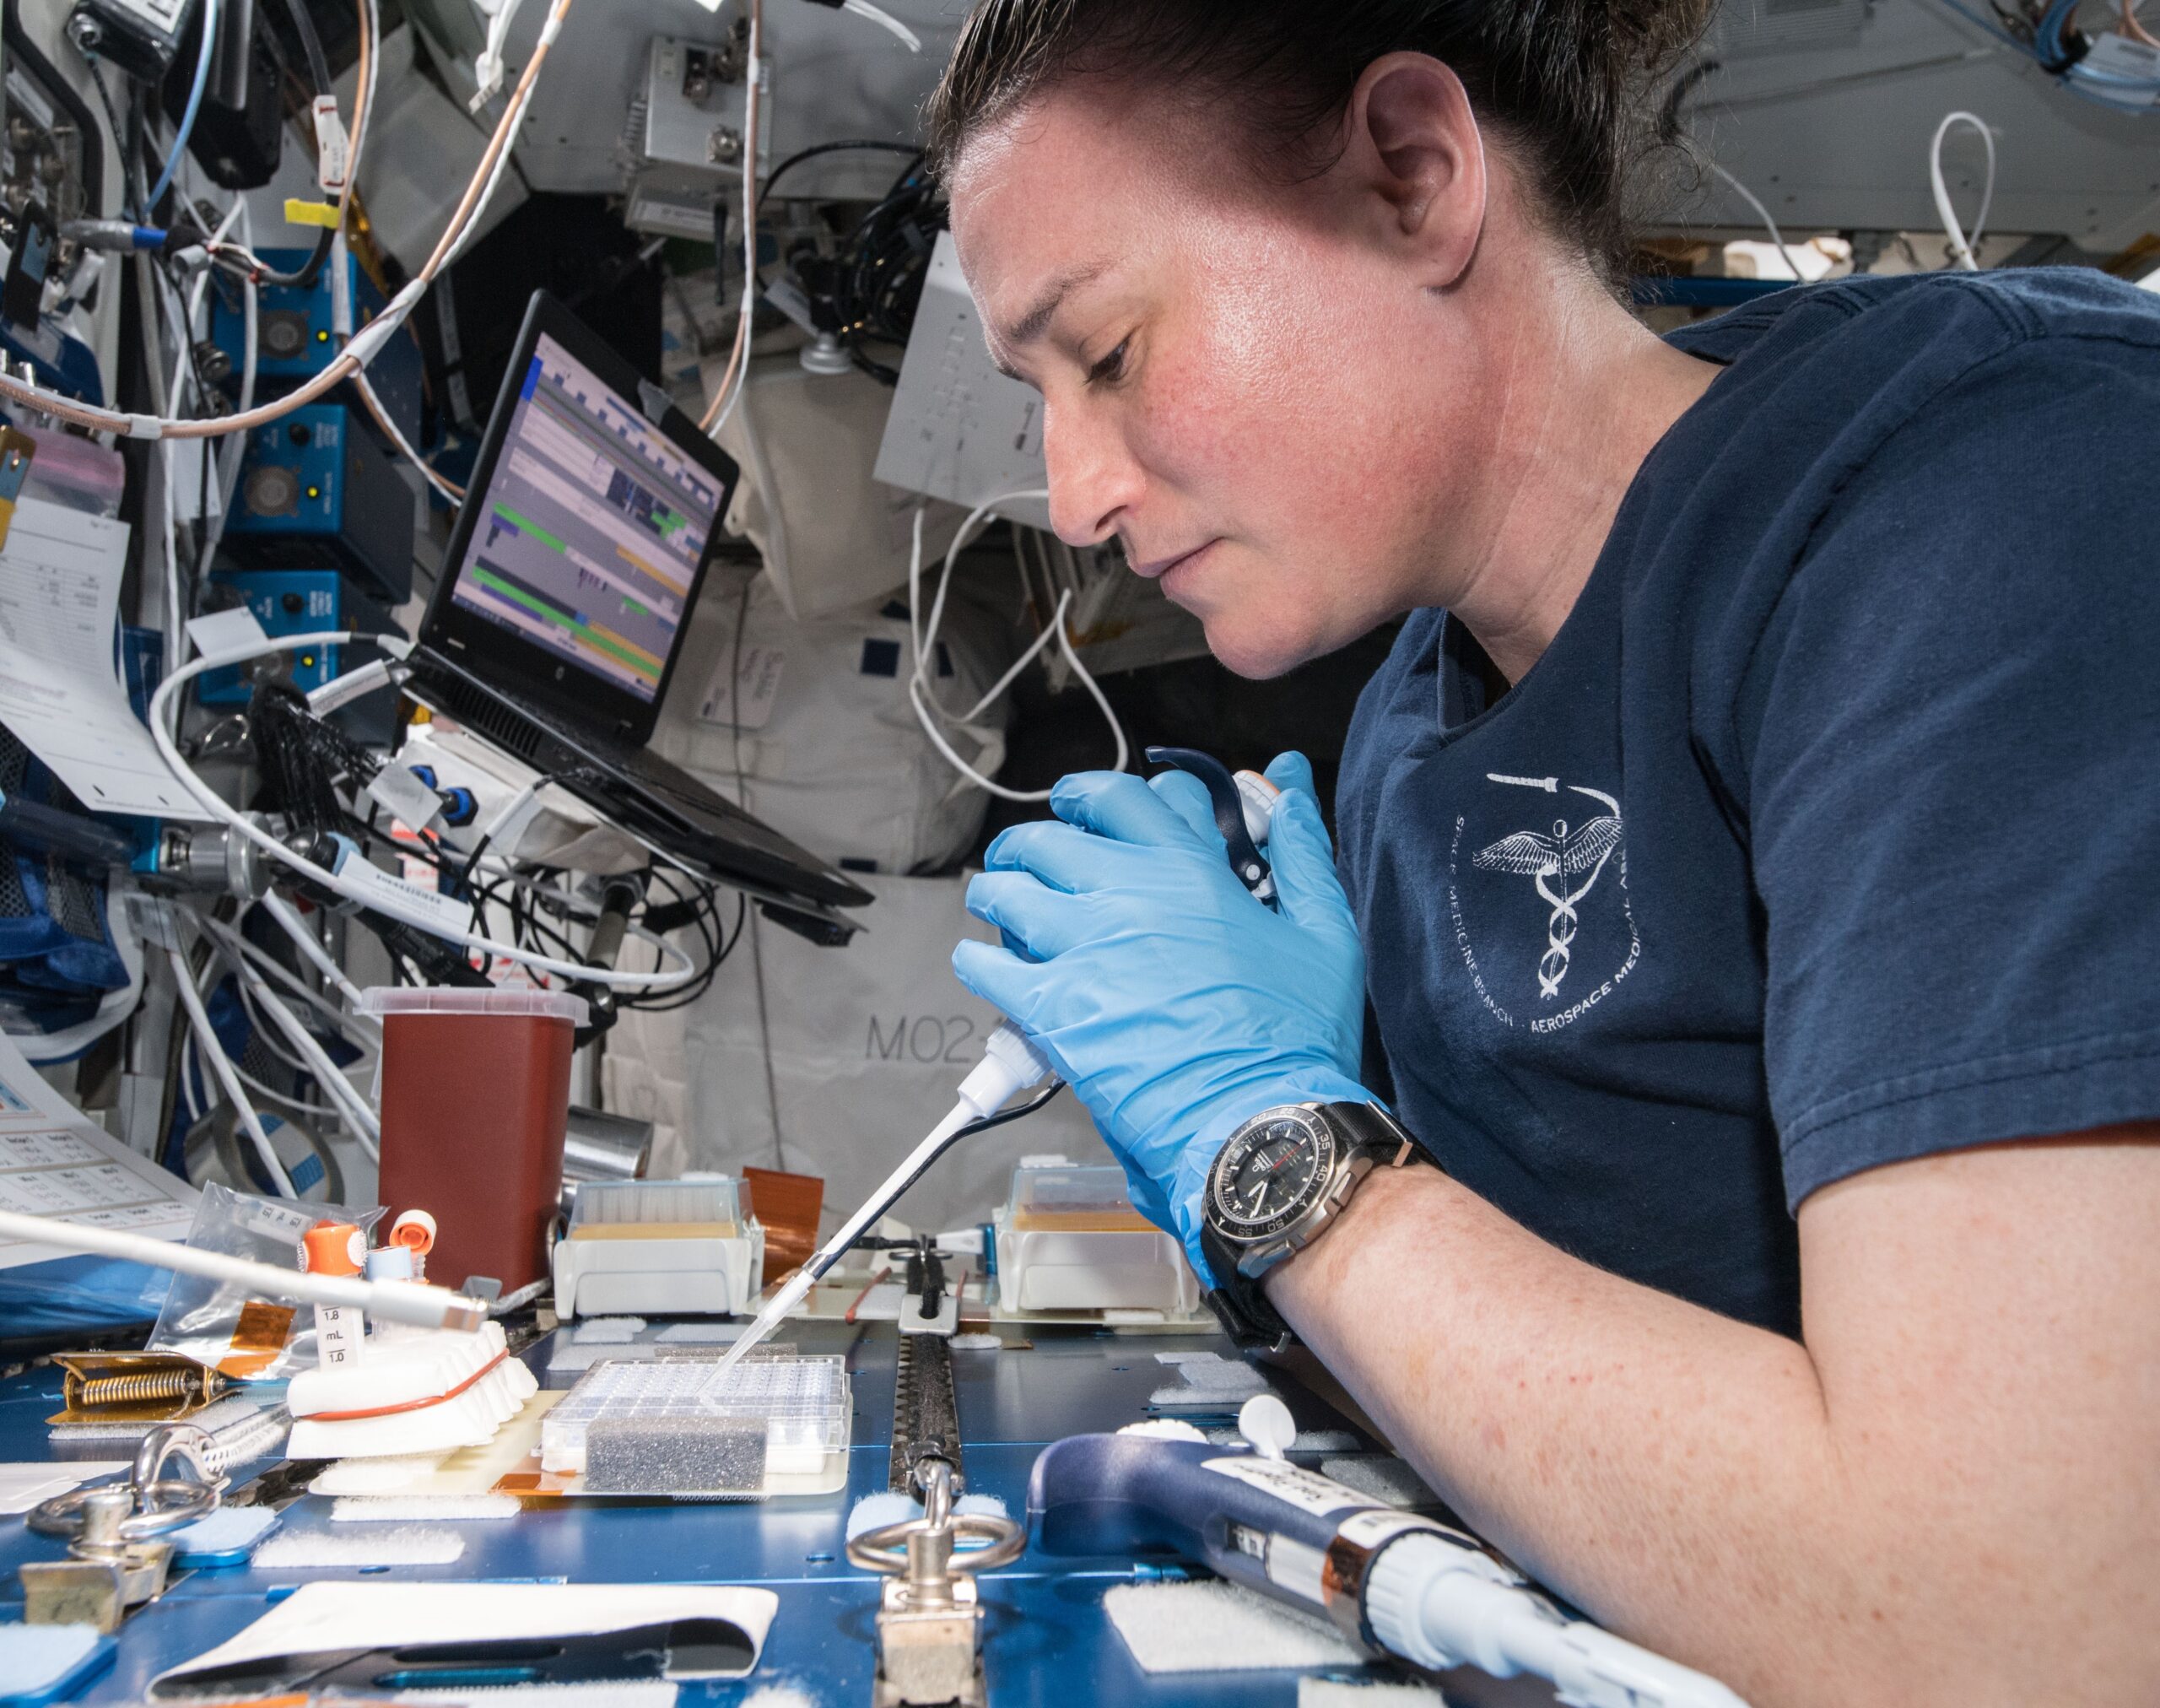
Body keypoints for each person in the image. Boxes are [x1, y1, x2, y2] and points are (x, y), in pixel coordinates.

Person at [927, 3, 2160, 1704]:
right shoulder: (1416, 720)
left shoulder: (1983, 503)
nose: (1070, 499)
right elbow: (1526, 1401)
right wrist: (1297, 1210)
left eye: (1111, 352)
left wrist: (1281, 1156)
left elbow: (2009, 1630)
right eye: (1035, 395)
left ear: (1413, 179)